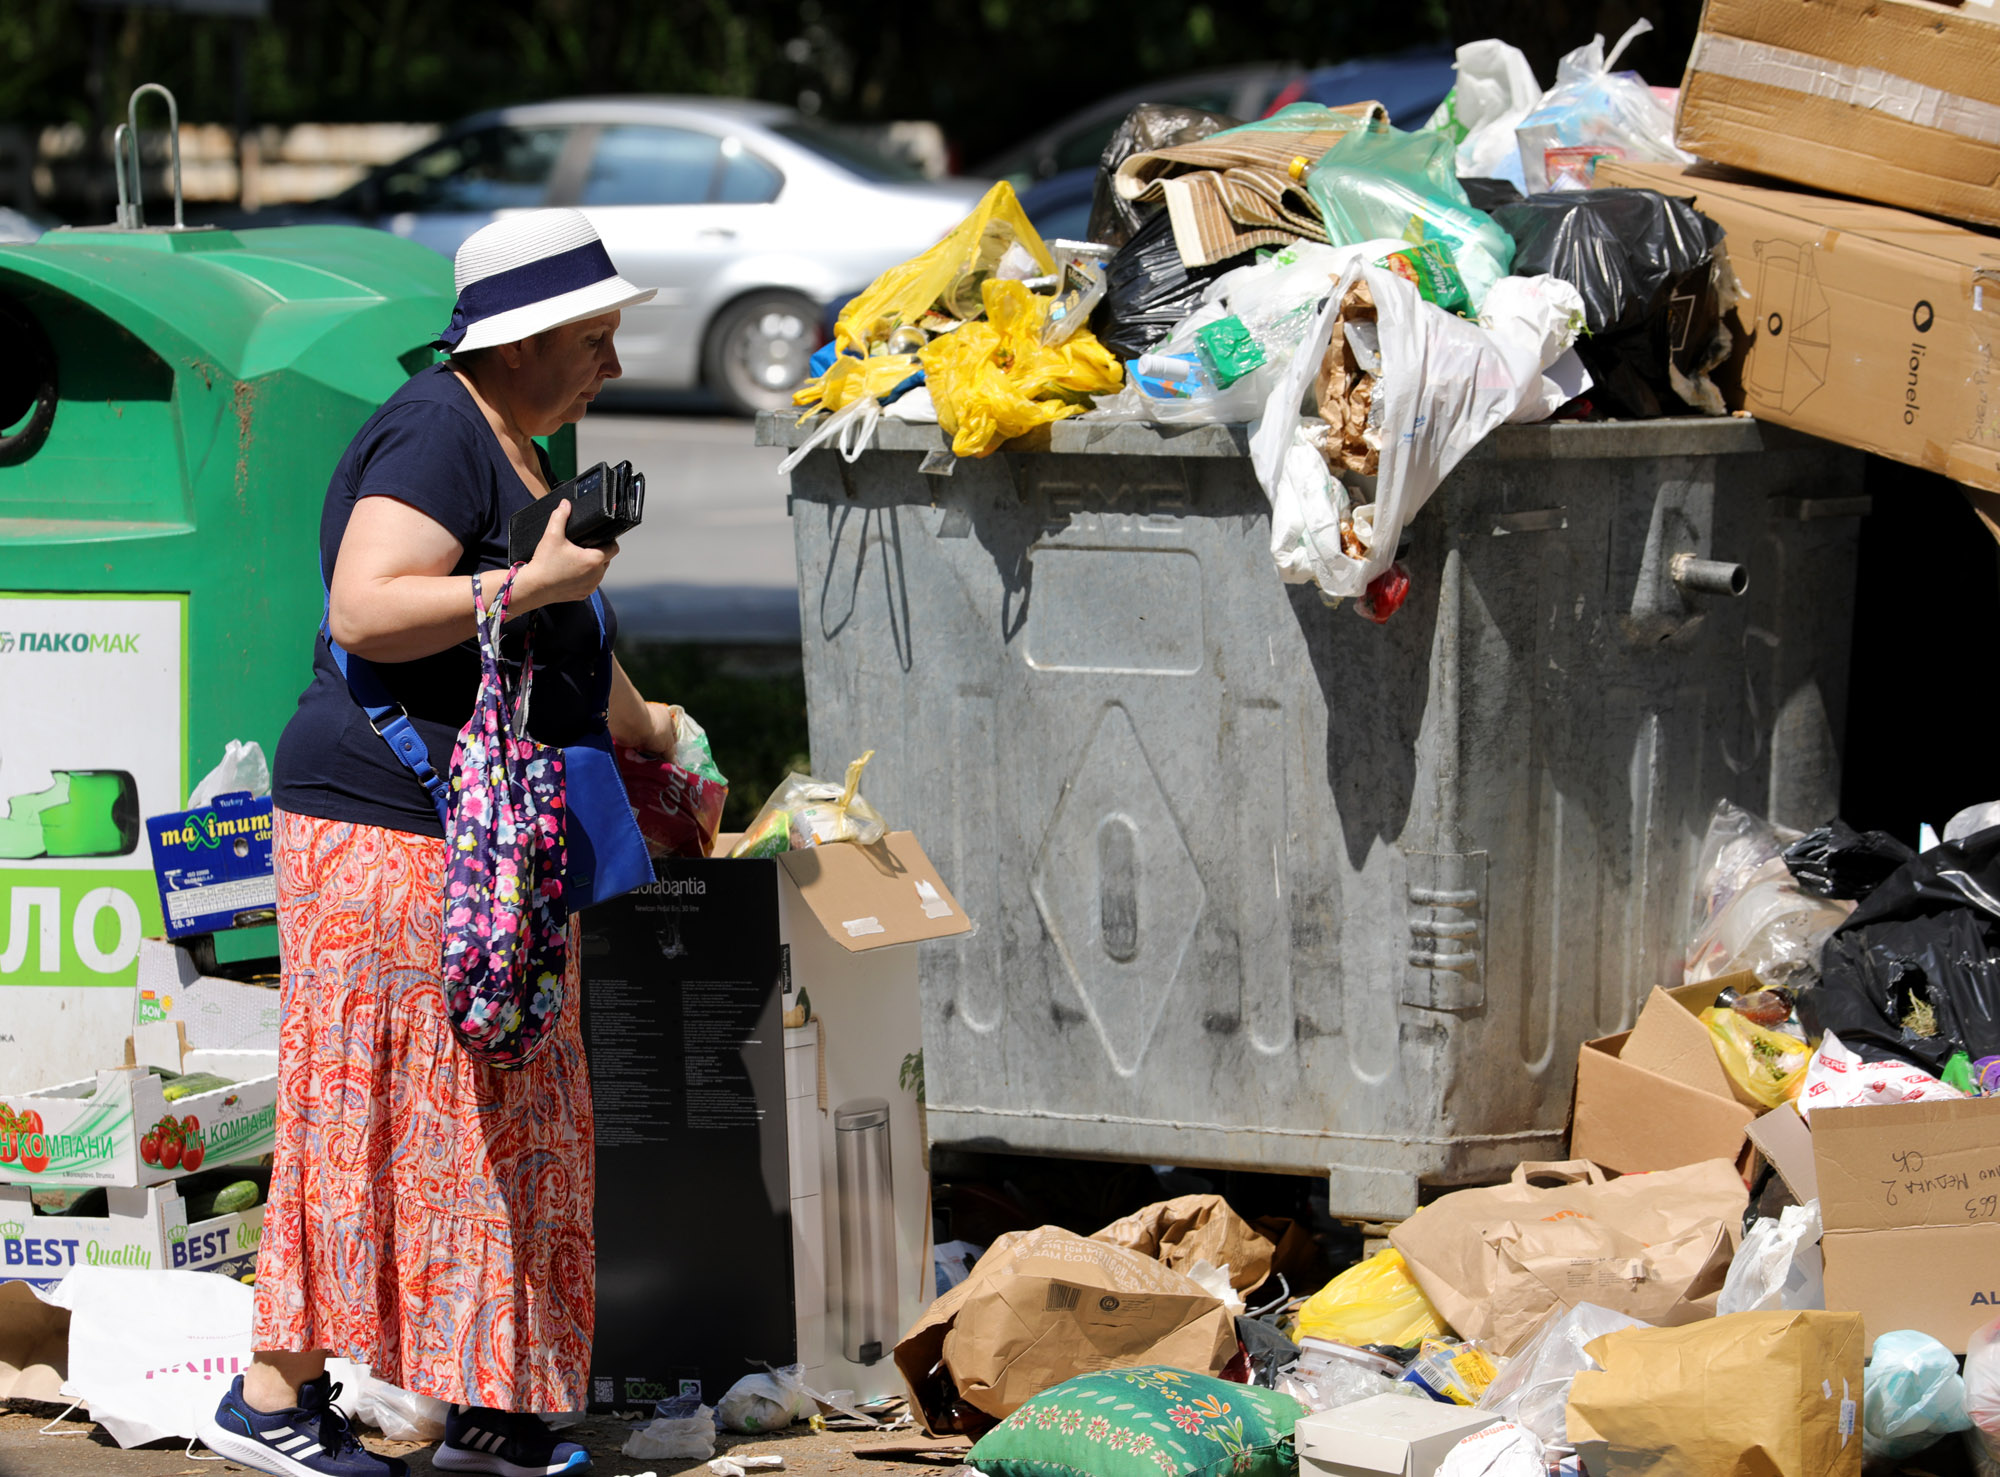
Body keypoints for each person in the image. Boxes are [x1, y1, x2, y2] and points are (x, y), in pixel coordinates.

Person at [200, 210, 673, 1477]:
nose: (613, 367)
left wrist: (653, 731)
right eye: (594, 338)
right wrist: (530, 585)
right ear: (515, 341)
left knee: (508, 1115)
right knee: (374, 1109)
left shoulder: (522, 441)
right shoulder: (435, 428)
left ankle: (494, 1403)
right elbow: (367, 606)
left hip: (480, 841)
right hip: (385, 828)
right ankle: (269, 1399)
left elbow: (561, 640)